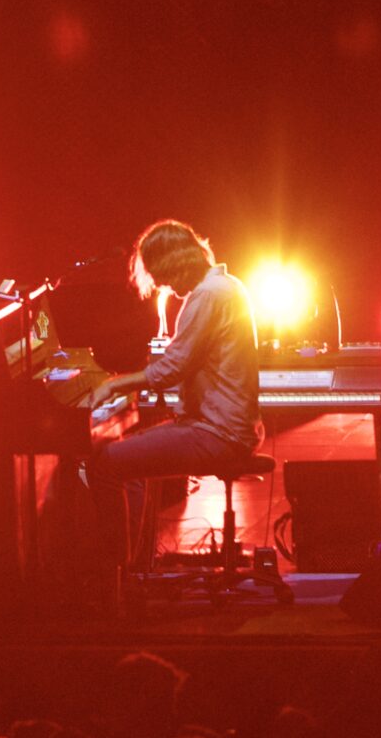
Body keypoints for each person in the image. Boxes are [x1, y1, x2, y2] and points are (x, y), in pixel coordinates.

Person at [81, 218, 260, 567]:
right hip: (224, 428)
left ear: (177, 262)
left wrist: (114, 384)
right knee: (129, 461)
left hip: (217, 434)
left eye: (162, 274)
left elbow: (172, 369)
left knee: (104, 466)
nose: (163, 284)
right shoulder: (225, 286)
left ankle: (115, 575)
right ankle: (135, 567)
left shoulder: (209, 295)